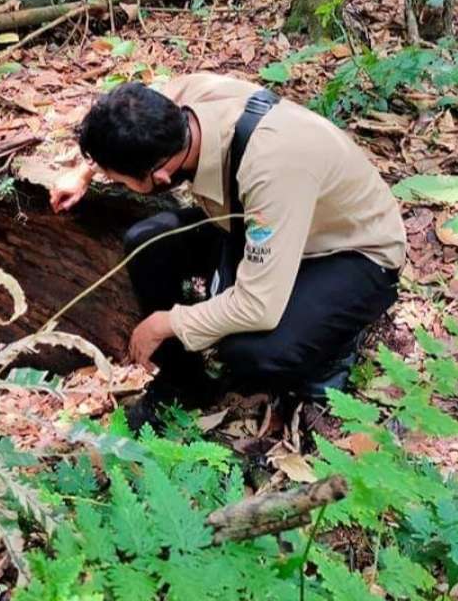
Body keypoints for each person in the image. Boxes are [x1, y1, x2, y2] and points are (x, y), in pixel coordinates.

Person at [49, 73, 407, 430]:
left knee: (252, 353)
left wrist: (166, 323)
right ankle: (183, 384)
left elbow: (258, 306)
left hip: (351, 252)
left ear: (159, 176)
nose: (115, 184)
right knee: (148, 242)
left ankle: (336, 345)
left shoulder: (271, 166)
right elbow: (123, 115)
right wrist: (83, 173)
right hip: (262, 223)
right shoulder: (176, 109)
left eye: (120, 179)